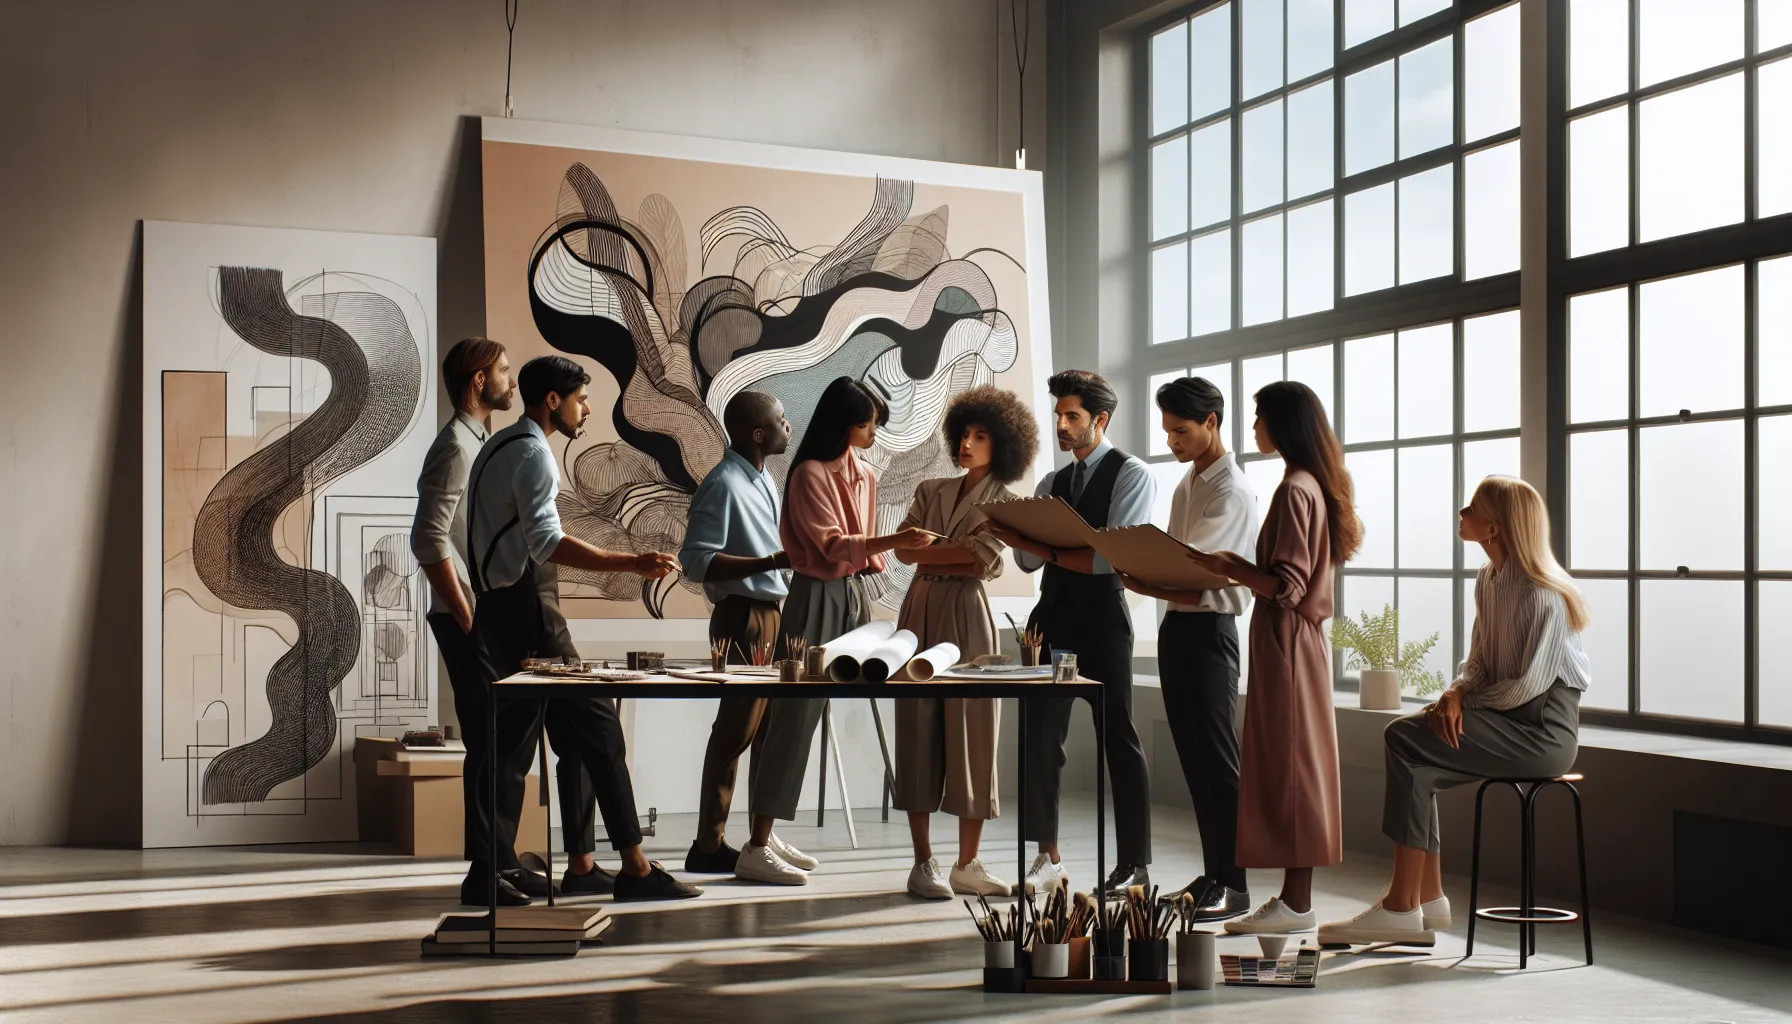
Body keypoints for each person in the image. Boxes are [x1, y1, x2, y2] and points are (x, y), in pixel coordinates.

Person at [464, 354, 699, 902]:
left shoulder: (498, 447)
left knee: (543, 742)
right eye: (582, 399)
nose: (587, 409)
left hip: (501, 610)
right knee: (598, 728)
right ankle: (634, 869)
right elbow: (547, 543)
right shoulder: (533, 455)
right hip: (529, 613)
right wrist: (632, 561)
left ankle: (566, 867)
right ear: (554, 400)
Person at [1317, 476, 1590, 948]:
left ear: (1494, 528)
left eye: (1471, 508)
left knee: (1403, 736)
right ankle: (1422, 902)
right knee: (1418, 770)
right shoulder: (1489, 579)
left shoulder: (1544, 594)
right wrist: (1457, 690)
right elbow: (1479, 661)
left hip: (1542, 733)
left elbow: (1528, 686)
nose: (1462, 513)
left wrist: (1464, 701)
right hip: (1503, 719)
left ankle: (1405, 906)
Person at [1185, 380, 1359, 934]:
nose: (1254, 427)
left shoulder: (1294, 491)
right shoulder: (1308, 484)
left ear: (1283, 424)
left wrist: (1229, 567)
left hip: (1289, 643)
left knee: (1292, 768)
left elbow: (1287, 587)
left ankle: (1296, 905)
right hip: (1295, 643)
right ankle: (1292, 900)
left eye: (1260, 417)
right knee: (1292, 765)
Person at [748, 376, 934, 879]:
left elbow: (857, 552)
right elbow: (831, 546)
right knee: (792, 718)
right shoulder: (809, 474)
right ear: (844, 424)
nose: (874, 433)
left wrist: (885, 551)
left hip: (853, 594)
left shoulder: (864, 475)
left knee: (866, 700)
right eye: (867, 424)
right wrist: (895, 540)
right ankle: (757, 844)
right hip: (814, 596)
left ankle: (766, 836)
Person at [982, 369, 1157, 897]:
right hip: (1050, 619)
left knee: (1118, 738)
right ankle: (1048, 858)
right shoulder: (1050, 485)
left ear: (1100, 419)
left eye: (1072, 416)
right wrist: (1022, 536)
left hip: (1103, 619)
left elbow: (1111, 561)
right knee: (1040, 739)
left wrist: (1049, 546)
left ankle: (1134, 864)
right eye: (1058, 414)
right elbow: (1028, 562)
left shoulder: (1132, 474)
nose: (1061, 424)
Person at [1115, 377, 1257, 921]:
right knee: (1195, 762)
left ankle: (1235, 885)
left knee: (1219, 761)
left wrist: (1146, 578)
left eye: (1180, 431)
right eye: (1168, 432)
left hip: (1211, 633)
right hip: (1178, 628)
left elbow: (1200, 573)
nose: (1171, 442)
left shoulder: (1232, 491)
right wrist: (1150, 575)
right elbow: (1178, 564)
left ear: (1211, 423)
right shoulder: (1187, 483)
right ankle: (1213, 874)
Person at [891, 385, 1038, 900]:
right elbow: (905, 552)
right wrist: (951, 549)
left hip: (968, 617)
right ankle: (923, 862)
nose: (968, 444)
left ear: (1004, 444)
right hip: (918, 611)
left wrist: (933, 548)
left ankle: (967, 863)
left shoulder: (1010, 504)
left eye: (981, 436)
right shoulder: (930, 489)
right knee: (916, 728)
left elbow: (981, 562)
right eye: (964, 434)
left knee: (974, 731)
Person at [677, 390, 813, 884]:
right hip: (742, 619)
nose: (788, 426)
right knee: (735, 732)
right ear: (758, 434)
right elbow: (695, 561)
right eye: (781, 419)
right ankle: (708, 845)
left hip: (771, 615)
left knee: (766, 734)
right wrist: (772, 561)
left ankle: (760, 838)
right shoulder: (722, 484)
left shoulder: (764, 479)